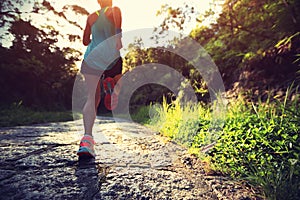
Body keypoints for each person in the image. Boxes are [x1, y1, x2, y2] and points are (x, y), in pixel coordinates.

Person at [77, 0, 122, 158]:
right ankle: (112, 86)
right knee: (119, 81)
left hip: (91, 57)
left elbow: (85, 41)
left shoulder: (90, 17)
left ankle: (87, 140)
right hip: (110, 56)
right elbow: (117, 28)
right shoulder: (114, 10)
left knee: (92, 98)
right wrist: (118, 38)